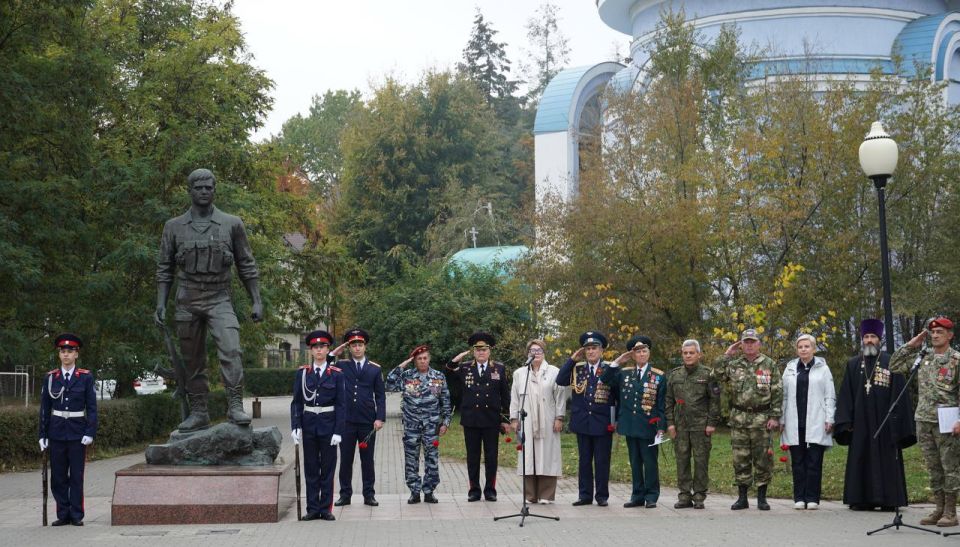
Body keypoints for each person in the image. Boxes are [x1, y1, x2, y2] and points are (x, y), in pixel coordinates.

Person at [155, 168, 263, 432]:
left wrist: (256, 300)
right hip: (187, 299)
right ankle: (199, 412)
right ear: (190, 191)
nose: (204, 191)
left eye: (209, 187)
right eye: (199, 187)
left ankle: (235, 406)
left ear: (215, 190)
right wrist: (160, 303)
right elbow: (164, 268)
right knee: (192, 359)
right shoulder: (174, 227)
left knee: (231, 349)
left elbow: (246, 264)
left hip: (219, 298)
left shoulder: (232, 224)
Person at [833, 319, 915, 511]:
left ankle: (889, 499)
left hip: (885, 423)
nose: (869, 340)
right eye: (866, 337)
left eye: (873, 337)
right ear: (863, 340)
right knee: (861, 457)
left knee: (886, 458)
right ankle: (861, 499)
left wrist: (897, 422)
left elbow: (899, 394)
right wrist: (846, 423)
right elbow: (846, 395)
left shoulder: (891, 362)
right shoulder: (853, 364)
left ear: (880, 340)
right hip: (861, 423)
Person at [890, 316, 960, 527]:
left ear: (950, 335)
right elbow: (894, 365)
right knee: (933, 467)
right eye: (933, 333)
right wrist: (912, 345)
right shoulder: (923, 357)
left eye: (940, 332)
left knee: (950, 467)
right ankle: (938, 510)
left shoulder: (956, 359)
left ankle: (951, 512)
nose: (936, 336)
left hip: (947, 420)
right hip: (924, 419)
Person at [715, 328, 782, 511]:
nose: (750, 345)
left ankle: (762, 498)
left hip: (761, 418)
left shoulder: (769, 364)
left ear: (759, 344)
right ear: (741, 344)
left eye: (753, 341)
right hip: (739, 419)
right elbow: (717, 375)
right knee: (740, 458)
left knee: (763, 459)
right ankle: (742, 497)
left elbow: (777, 391)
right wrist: (727, 355)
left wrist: (775, 416)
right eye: (746, 342)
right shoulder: (735, 364)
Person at [38, 333, 98, 526]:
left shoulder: (85, 378)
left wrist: (90, 432)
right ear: (59, 354)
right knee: (58, 477)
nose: (66, 355)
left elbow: (92, 408)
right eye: (62, 351)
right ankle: (63, 514)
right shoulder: (50, 378)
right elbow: (45, 409)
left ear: (76, 355)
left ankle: (77, 515)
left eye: (69, 351)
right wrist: (42, 435)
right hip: (56, 433)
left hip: (77, 433)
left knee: (76, 476)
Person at [602, 335, 667, 509]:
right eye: (637, 352)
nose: (641, 354)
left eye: (644, 351)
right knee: (635, 462)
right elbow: (604, 380)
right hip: (630, 425)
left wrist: (661, 427)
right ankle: (637, 495)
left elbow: (662, 404)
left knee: (650, 463)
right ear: (633, 355)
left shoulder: (658, 376)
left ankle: (652, 495)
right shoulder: (624, 373)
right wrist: (617, 362)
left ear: (649, 353)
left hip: (649, 426)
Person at [556, 331, 618, 507]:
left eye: (594, 348)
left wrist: (616, 421)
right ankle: (584, 495)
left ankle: (601, 496)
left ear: (601, 351)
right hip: (582, 421)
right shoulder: (578, 368)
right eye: (588, 349)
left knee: (601, 461)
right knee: (584, 460)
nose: (591, 352)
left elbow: (617, 395)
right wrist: (572, 360)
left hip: (602, 422)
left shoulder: (609, 369)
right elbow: (560, 380)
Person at [446, 332, 510, 501]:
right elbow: (449, 372)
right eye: (478, 349)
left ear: (490, 351)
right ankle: (474, 489)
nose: (481, 352)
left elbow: (505, 395)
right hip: (471, 419)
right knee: (472, 456)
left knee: (491, 457)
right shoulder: (466, 367)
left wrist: (505, 419)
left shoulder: (499, 368)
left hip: (491, 420)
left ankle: (490, 490)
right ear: (473, 351)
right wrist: (456, 359)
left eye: (484, 349)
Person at [290, 330, 345, 521]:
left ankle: (326, 508)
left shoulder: (337, 374)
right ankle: (313, 508)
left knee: (328, 469)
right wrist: (295, 426)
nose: (319, 350)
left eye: (322, 347)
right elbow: (296, 402)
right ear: (311, 350)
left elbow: (341, 405)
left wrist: (339, 431)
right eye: (315, 347)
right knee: (311, 469)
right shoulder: (303, 373)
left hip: (329, 427)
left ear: (328, 349)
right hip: (309, 425)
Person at [386, 344, 452, 504]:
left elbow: (445, 401)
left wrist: (446, 422)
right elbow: (389, 382)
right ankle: (414, 491)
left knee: (432, 458)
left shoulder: (438, 376)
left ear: (429, 359)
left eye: (425, 358)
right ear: (414, 361)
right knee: (411, 459)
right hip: (411, 426)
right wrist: (403, 364)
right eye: (418, 359)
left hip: (431, 426)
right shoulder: (407, 376)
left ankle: (429, 491)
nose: (422, 361)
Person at [780, 334, 836, 510]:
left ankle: (812, 498)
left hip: (816, 421)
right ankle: (799, 497)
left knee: (814, 461)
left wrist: (829, 418)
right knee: (798, 462)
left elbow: (830, 395)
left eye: (807, 346)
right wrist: (781, 418)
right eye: (800, 347)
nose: (803, 349)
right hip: (794, 422)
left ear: (813, 348)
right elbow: (783, 396)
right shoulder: (789, 369)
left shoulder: (823, 369)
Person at [331, 328, 385, 507]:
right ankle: (345, 495)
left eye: (360, 345)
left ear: (365, 346)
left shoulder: (374, 369)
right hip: (346, 421)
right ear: (349, 347)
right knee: (345, 459)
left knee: (367, 460)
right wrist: (339, 349)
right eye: (353, 345)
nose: (357, 348)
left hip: (367, 421)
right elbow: (327, 361)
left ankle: (369, 494)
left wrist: (380, 418)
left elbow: (380, 395)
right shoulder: (342, 365)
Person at [665, 339, 721, 509]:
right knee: (682, 461)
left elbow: (715, 400)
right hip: (680, 426)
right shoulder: (675, 375)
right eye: (685, 353)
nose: (688, 355)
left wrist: (711, 423)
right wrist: (670, 424)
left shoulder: (708, 374)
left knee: (701, 461)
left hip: (701, 426)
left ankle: (698, 495)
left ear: (699, 354)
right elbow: (668, 400)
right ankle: (684, 495)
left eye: (691, 353)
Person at [509, 339, 567, 504]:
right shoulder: (520, 373)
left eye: (539, 350)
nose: (536, 353)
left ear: (544, 352)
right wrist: (514, 418)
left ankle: (546, 495)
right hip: (526, 420)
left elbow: (560, 397)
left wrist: (559, 417)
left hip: (548, 420)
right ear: (528, 353)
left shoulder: (554, 372)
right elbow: (514, 397)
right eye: (532, 351)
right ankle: (530, 495)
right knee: (528, 455)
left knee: (547, 455)